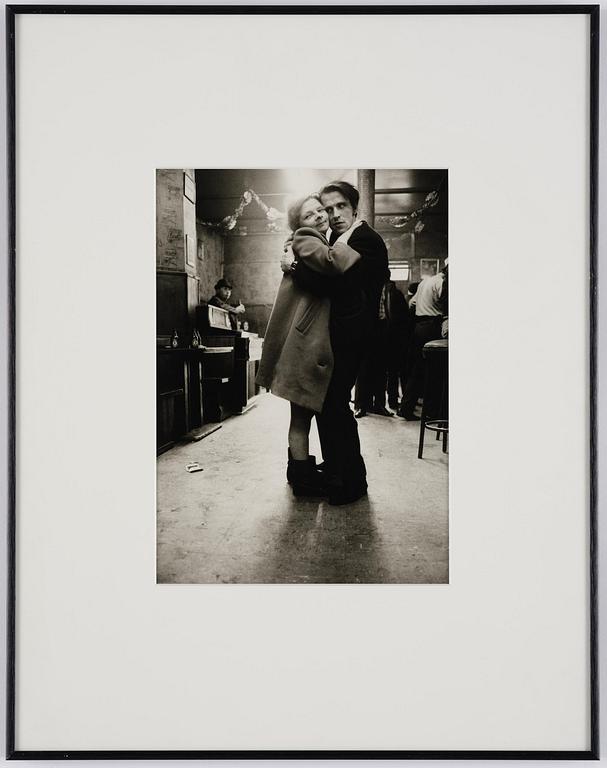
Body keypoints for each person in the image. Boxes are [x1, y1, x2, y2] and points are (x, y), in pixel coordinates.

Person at [285, 181, 389, 505]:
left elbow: (335, 284)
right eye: (327, 209)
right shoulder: (337, 239)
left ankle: (352, 482)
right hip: (337, 337)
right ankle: (338, 471)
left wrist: (295, 267)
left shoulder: (366, 240)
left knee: (333, 406)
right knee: (329, 407)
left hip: (353, 338)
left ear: (355, 207)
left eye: (340, 206)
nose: (333, 214)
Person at [256, 195, 362, 497]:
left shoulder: (312, 240)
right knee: (301, 416)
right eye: (309, 214)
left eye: (320, 210)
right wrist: (346, 241)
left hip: (302, 341)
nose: (319, 216)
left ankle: (300, 471)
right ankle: (301, 477)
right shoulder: (306, 239)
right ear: (298, 224)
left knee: (300, 415)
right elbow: (333, 263)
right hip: (303, 343)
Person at [399, 263, 447, 420]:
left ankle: (406, 407)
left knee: (416, 370)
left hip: (419, 327)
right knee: (434, 372)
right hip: (432, 327)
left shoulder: (425, 282)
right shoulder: (441, 282)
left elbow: (411, 304)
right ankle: (432, 412)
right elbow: (447, 305)